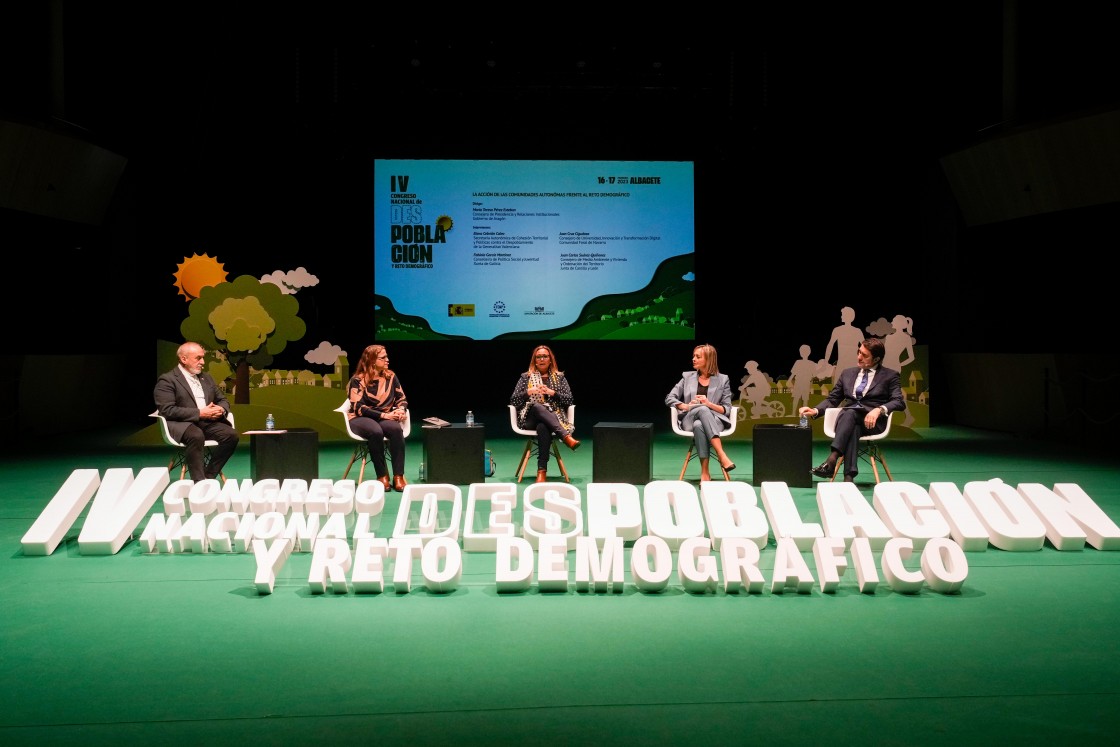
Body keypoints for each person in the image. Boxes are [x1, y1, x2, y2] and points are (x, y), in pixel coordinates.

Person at [798, 337, 906, 482]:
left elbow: (898, 401)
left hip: (872, 423)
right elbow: (833, 399)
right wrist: (815, 410)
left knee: (850, 414)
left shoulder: (890, 376)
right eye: (859, 352)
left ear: (876, 359)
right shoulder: (847, 373)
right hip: (848, 421)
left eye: (864, 355)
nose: (859, 357)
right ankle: (848, 478)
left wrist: (878, 410)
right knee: (852, 421)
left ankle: (832, 460)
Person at [153, 341, 239, 482]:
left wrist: (221, 408)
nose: (203, 362)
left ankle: (208, 476)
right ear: (184, 359)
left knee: (231, 436)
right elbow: (167, 410)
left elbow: (223, 400)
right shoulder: (167, 380)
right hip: (182, 424)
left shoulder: (207, 378)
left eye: (203, 357)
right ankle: (199, 483)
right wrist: (199, 413)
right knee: (196, 435)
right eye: (198, 358)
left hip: (206, 422)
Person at [666, 343, 736, 481]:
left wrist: (708, 404)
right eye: (693, 356)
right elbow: (669, 398)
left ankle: (705, 473)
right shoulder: (687, 377)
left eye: (698, 357)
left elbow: (726, 409)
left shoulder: (723, 380)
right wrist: (686, 406)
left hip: (715, 421)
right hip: (689, 419)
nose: (693, 359)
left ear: (708, 359)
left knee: (699, 425)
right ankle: (721, 455)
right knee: (701, 411)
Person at [509, 345, 579, 483]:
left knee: (543, 426)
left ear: (550, 359)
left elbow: (569, 400)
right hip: (529, 419)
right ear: (534, 360)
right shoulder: (526, 377)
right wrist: (529, 392)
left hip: (554, 417)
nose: (542, 359)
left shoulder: (559, 378)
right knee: (537, 406)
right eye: (538, 357)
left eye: (545, 356)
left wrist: (552, 393)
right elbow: (514, 400)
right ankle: (565, 436)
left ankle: (541, 471)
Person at [347, 344, 409, 492]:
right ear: (372, 361)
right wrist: (385, 415)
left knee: (396, 429)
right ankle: (382, 476)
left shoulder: (390, 376)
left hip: (384, 417)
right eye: (383, 357)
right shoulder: (358, 380)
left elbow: (401, 398)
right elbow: (359, 407)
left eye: (386, 356)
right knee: (375, 432)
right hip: (360, 417)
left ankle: (398, 476)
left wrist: (401, 409)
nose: (387, 360)